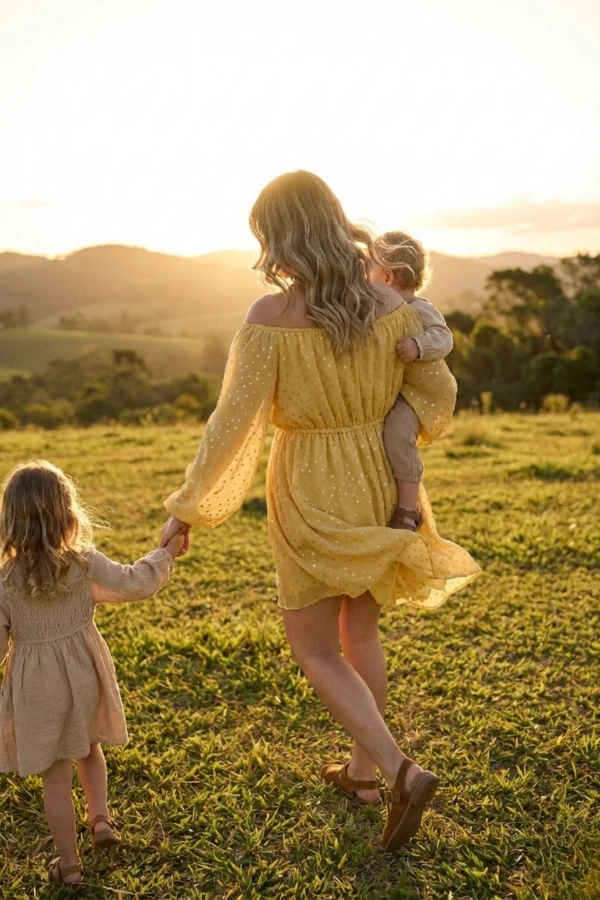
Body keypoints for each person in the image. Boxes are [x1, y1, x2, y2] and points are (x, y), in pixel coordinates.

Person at [161, 171, 481, 851]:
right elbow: (437, 390)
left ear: (278, 239)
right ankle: (363, 775)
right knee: (360, 635)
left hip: (309, 483)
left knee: (313, 646)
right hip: (377, 478)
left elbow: (230, 425)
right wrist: (389, 427)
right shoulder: (392, 302)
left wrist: (187, 508)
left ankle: (396, 769)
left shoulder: (270, 317)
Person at [0, 460, 183, 887]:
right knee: (89, 748)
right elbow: (136, 582)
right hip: (83, 673)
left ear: (9, 518)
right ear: (67, 512)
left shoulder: (4, 581)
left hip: (35, 689)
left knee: (55, 777)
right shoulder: (84, 564)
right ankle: (100, 819)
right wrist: (166, 553)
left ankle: (69, 866)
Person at [371, 231, 455, 531]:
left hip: (422, 394)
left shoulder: (419, 309)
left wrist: (419, 346)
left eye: (368, 270)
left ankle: (408, 509)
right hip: (401, 389)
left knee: (397, 434)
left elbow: (444, 338)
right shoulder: (380, 310)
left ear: (386, 277)